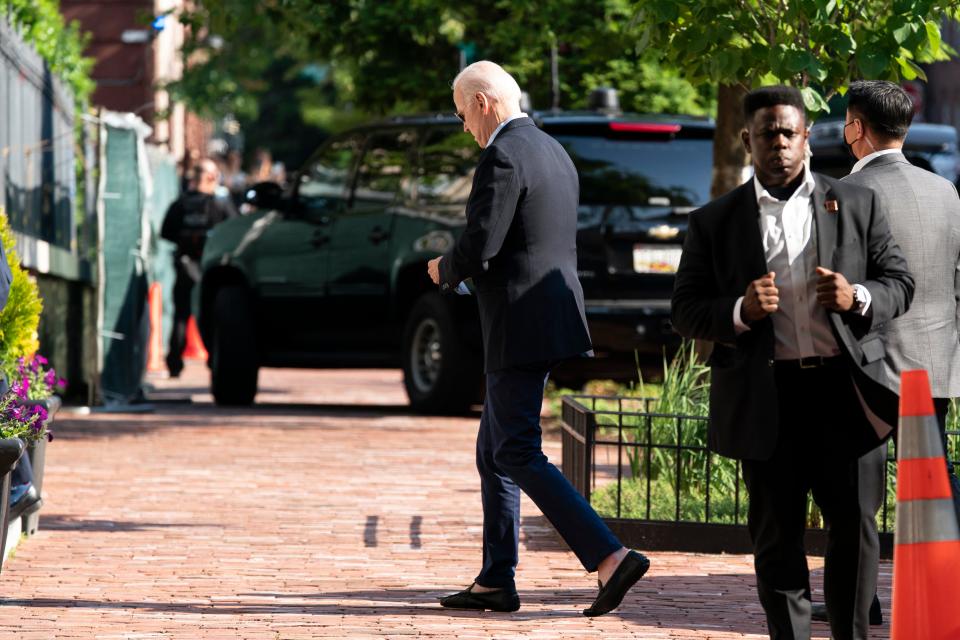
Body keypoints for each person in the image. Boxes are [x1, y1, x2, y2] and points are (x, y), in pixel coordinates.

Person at [671, 85, 914, 640]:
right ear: (746, 139)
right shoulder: (715, 221)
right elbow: (684, 311)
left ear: (806, 137)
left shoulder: (855, 202)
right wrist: (739, 310)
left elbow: (900, 282)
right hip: (767, 397)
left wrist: (858, 298)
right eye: (766, 134)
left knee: (854, 532)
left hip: (844, 394)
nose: (778, 143)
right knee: (777, 540)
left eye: (788, 132)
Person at [427, 60, 649, 617]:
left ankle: (609, 555)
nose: (464, 128)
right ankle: (496, 578)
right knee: (492, 452)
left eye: (462, 115)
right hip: (550, 316)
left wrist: (443, 268)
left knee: (516, 450)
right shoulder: (552, 149)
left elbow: (482, 245)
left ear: (483, 102)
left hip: (520, 323)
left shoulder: (503, 155)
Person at [807, 79, 960, 629]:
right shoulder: (945, 190)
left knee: (854, 497)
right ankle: (943, 599)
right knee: (932, 487)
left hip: (864, 362)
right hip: (935, 361)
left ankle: (860, 601)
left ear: (856, 128)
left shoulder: (842, 194)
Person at [160, 158, 237, 377]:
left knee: (181, 316)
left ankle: (175, 363)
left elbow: (166, 232)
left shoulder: (181, 204)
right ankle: (215, 360)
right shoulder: (221, 204)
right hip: (211, 269)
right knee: (212, 316)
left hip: (185, 265)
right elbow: (234, 230)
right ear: (212, 177)